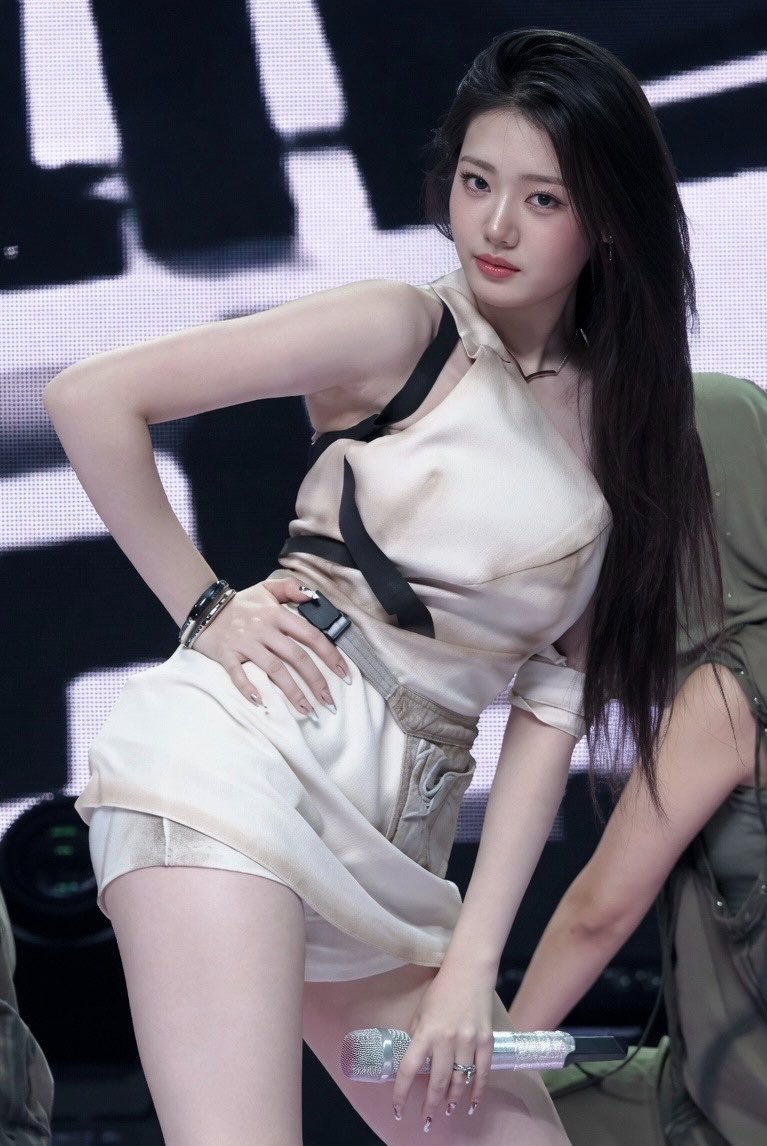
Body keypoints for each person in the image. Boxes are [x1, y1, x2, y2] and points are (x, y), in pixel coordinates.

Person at [42, 29, 719, 1146]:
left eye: (542, 199)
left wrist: (472, 968)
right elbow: (90, 398)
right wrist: (205, 606)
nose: (494, 226)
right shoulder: (403, 327)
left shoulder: (626, 421)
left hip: (391, 860)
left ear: (606, 218)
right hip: (236, 770)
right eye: (475, 182)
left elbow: (552, 704)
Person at [508, 372, 767, 1145]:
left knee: (473, 1118)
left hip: (732, 1103)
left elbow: (598, 912)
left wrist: (494, 1058)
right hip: (695, 1071)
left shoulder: (727, 691)